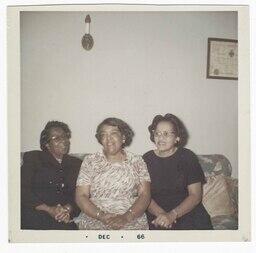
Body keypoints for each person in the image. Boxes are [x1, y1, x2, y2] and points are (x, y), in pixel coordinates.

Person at [75, 117, 151, 230]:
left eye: (113, 133)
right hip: (95, 217)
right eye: (104, 134)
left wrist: (126, 217)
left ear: (123, 137)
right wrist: (101, 216)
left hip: (132, 217)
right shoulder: (90, 161)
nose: (108, 139)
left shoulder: (137, 161)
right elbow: (81, 196)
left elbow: (145, 195)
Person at [143, 114, 213, 230]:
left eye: (166, 134)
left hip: (187, 212)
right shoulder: (146, 159)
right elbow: (144, 195)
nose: (161, 138)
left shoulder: (187, 157)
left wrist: (172, 215)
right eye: (157, 133)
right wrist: (163, 215)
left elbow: (195, 195)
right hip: (157, 215)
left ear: (177, 137)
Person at [21, 121, 82, 230]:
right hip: (36, 214)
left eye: (65, 136)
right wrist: (49, 209)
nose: (64, 140)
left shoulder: (76, 163)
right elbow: (22, 189)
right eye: (57, 138)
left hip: (63, 217)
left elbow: (81, 193)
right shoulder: (34, 158)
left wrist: (68, 209)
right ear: (47, 144)